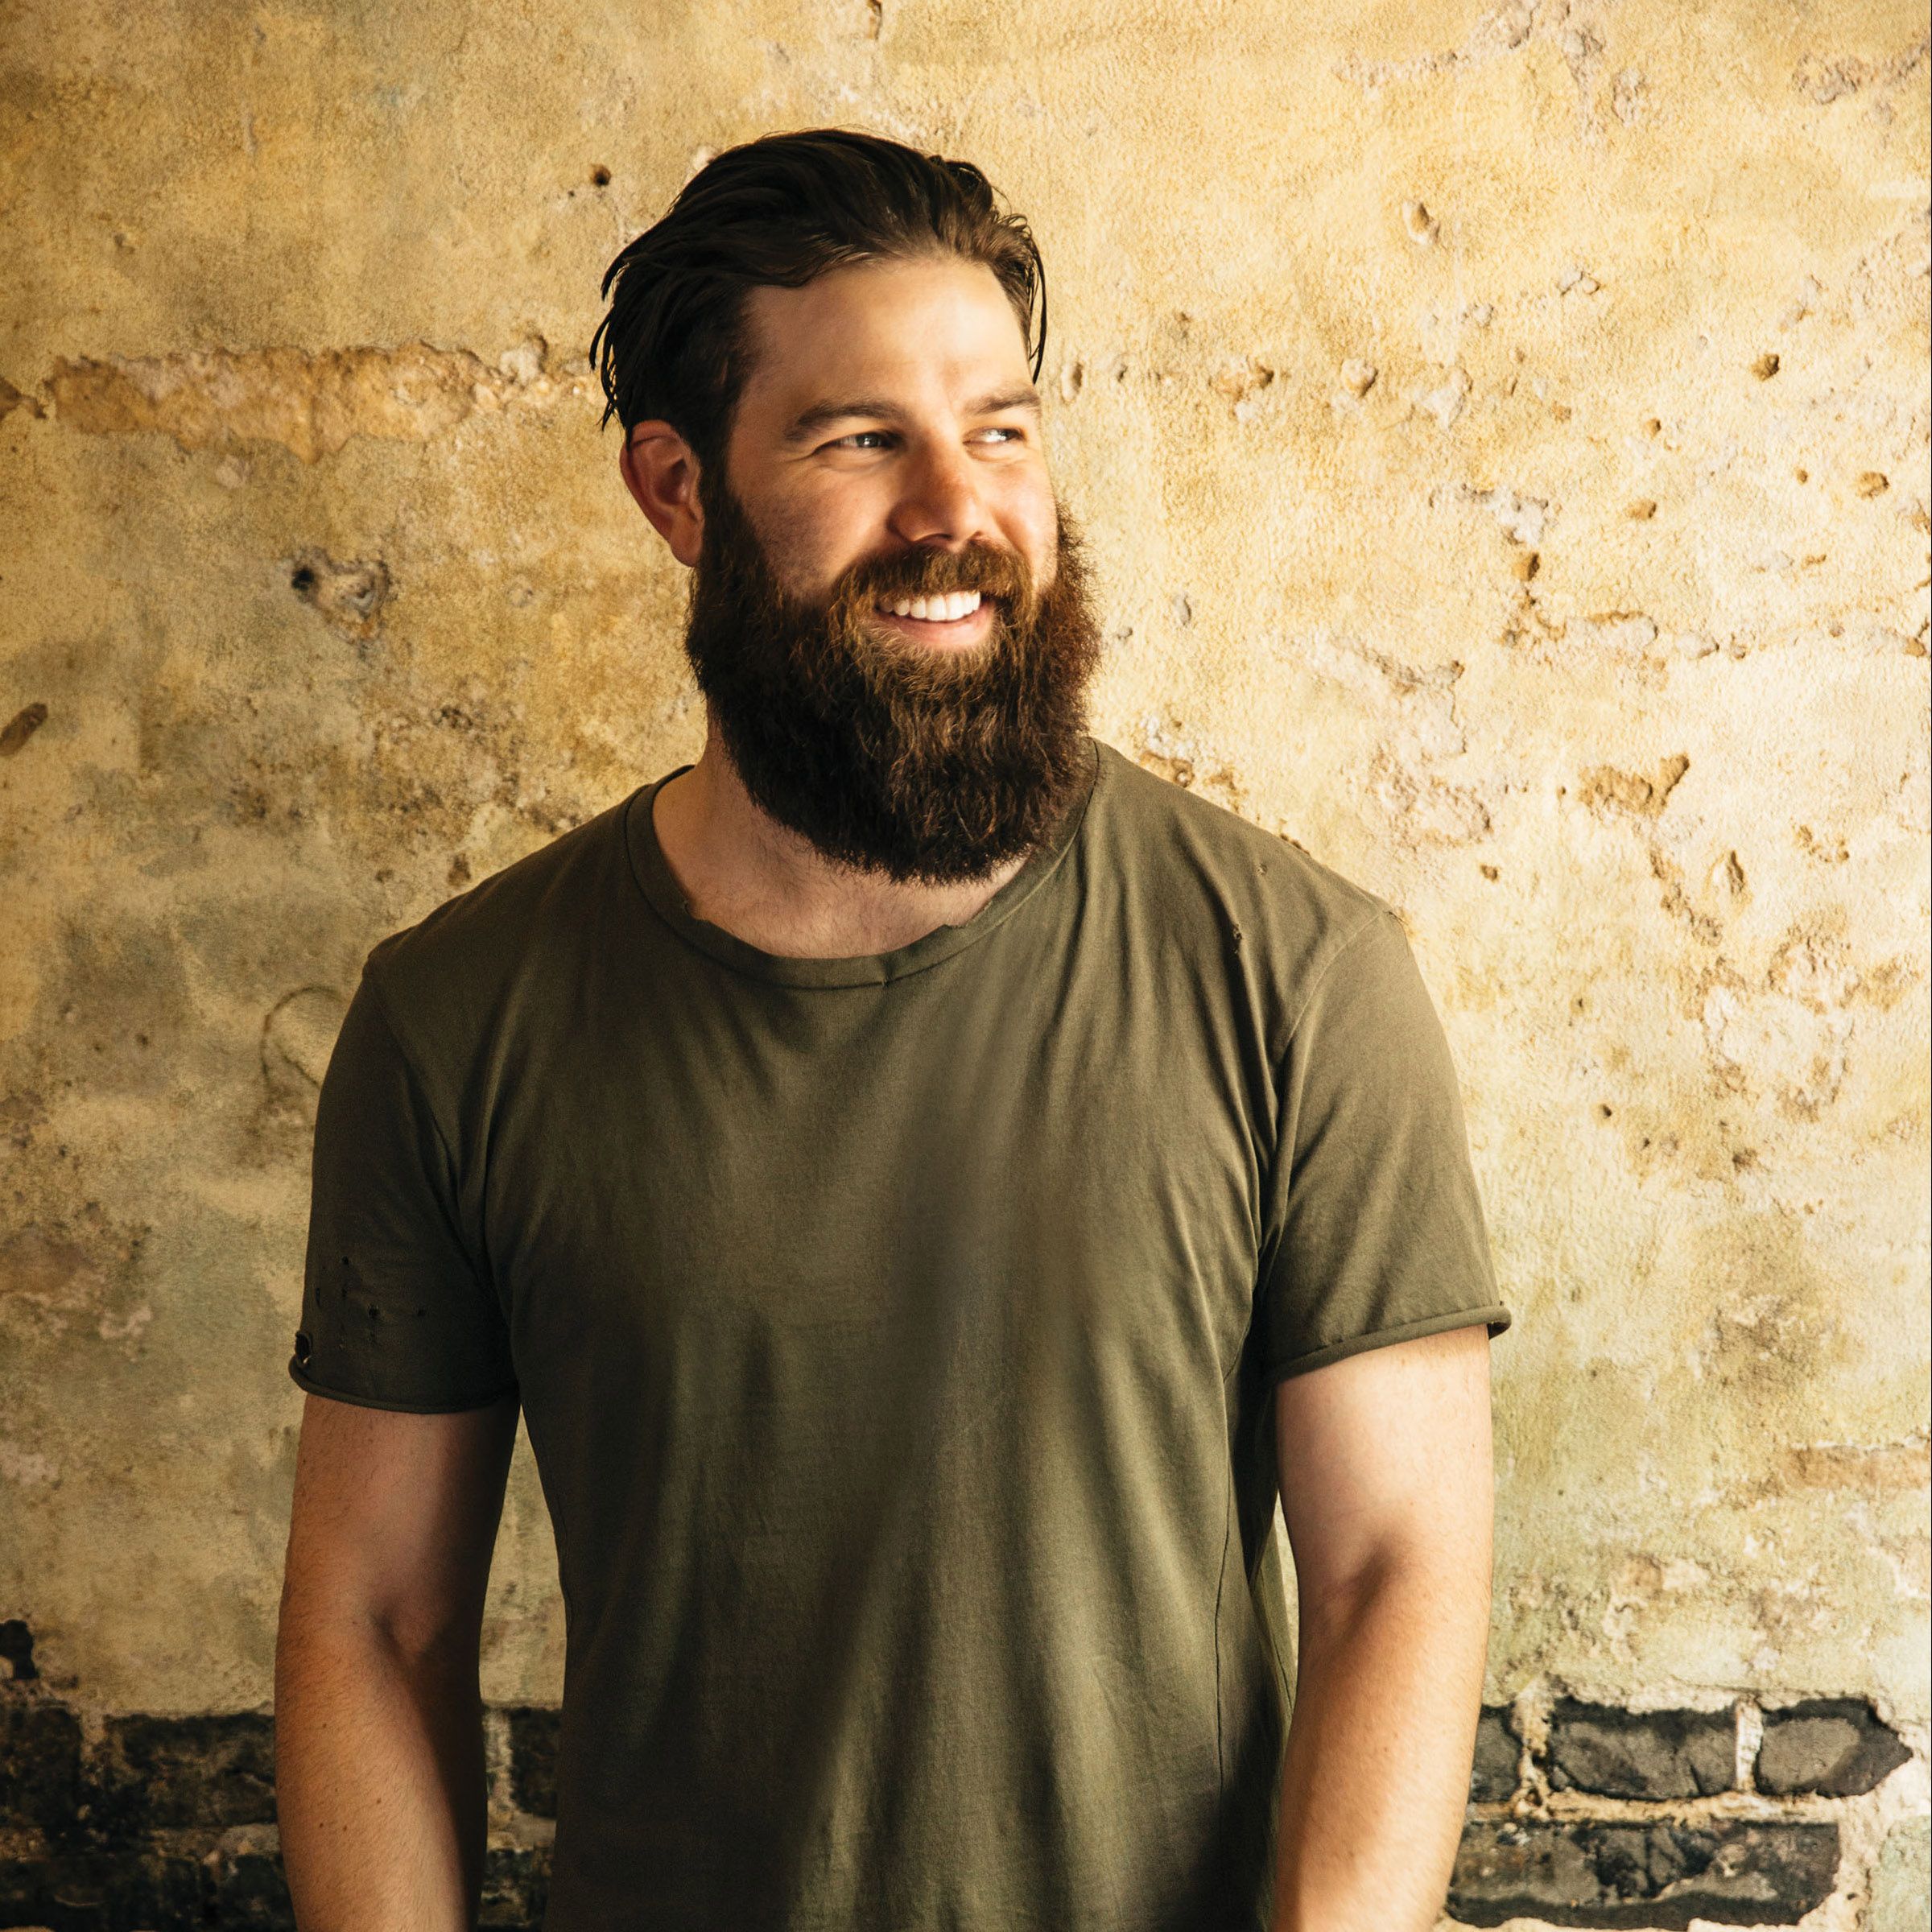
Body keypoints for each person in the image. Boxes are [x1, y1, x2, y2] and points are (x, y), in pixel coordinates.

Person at [274, 127, 1510, 1932]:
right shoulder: (460, 1019)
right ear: (677, 492)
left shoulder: (1298, 975)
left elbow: (1398, 1572)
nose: (958, 509)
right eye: (863, 440)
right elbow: (375, 1625)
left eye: (1001, 429)